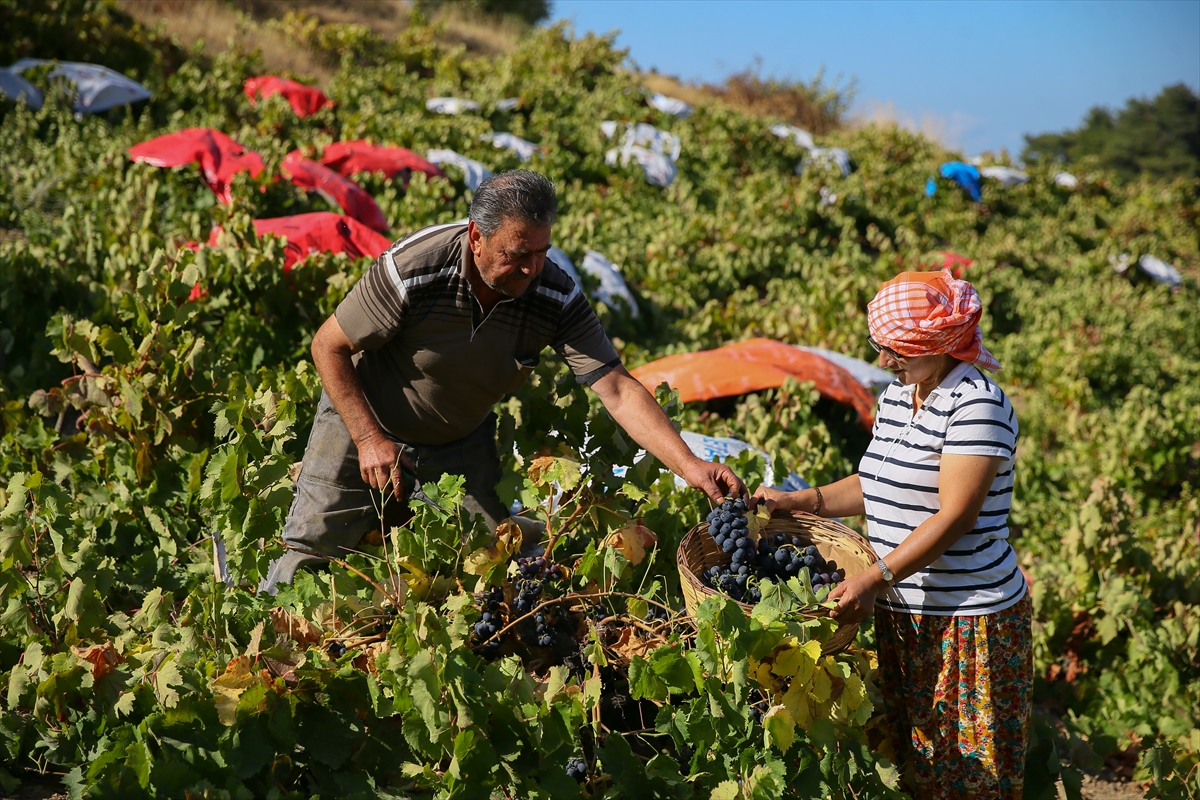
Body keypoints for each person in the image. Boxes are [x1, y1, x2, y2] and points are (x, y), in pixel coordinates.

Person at [262, 169, 745, 593]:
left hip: (458, 440)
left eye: (542, 252)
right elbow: (328, 346)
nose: (532, 268)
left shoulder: (553, 294)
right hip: (363, 419)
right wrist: (369, 439)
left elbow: (615, 387)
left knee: (487, 559)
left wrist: (689, 465)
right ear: (476, 236)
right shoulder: (415, 268)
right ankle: (255, 635)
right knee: (313, 547)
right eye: (518, 254)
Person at [753, 269, 1030, 799]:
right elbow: (876, 482)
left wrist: (877, 577)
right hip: (904, 613)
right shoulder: (901, 397)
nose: (884, 361)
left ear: (938, 344)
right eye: (880, 348)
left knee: (971, 777)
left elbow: (956, 515)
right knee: (918, 766)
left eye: (897, 350)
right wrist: (799, 500)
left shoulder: (977, 403)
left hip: (966, 622)